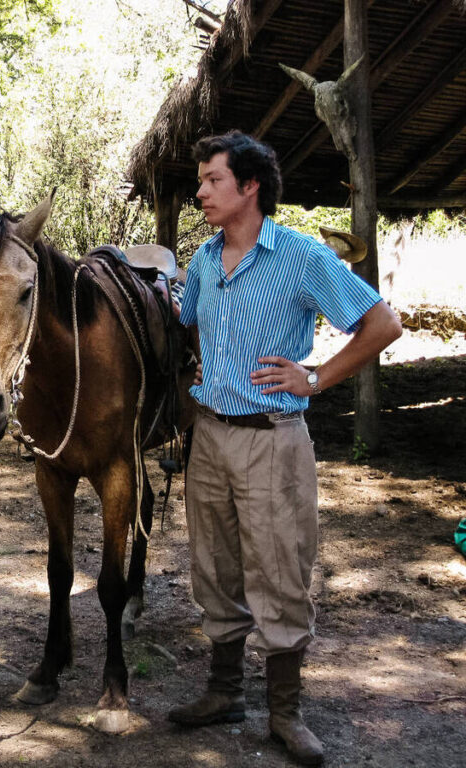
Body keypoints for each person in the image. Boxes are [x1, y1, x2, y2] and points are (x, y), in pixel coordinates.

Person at [169, 131, 402, 765]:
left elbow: (382, 323)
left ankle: (286, 713)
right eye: (201, 181)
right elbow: (187, 320)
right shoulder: (201, 262)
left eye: (213, 180)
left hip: (273, 439)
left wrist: (317, 377)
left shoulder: (301, 257)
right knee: (212, 567)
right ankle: (223, 693)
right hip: (210, 437)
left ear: (249, 187)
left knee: (280, 571)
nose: (201, 192)